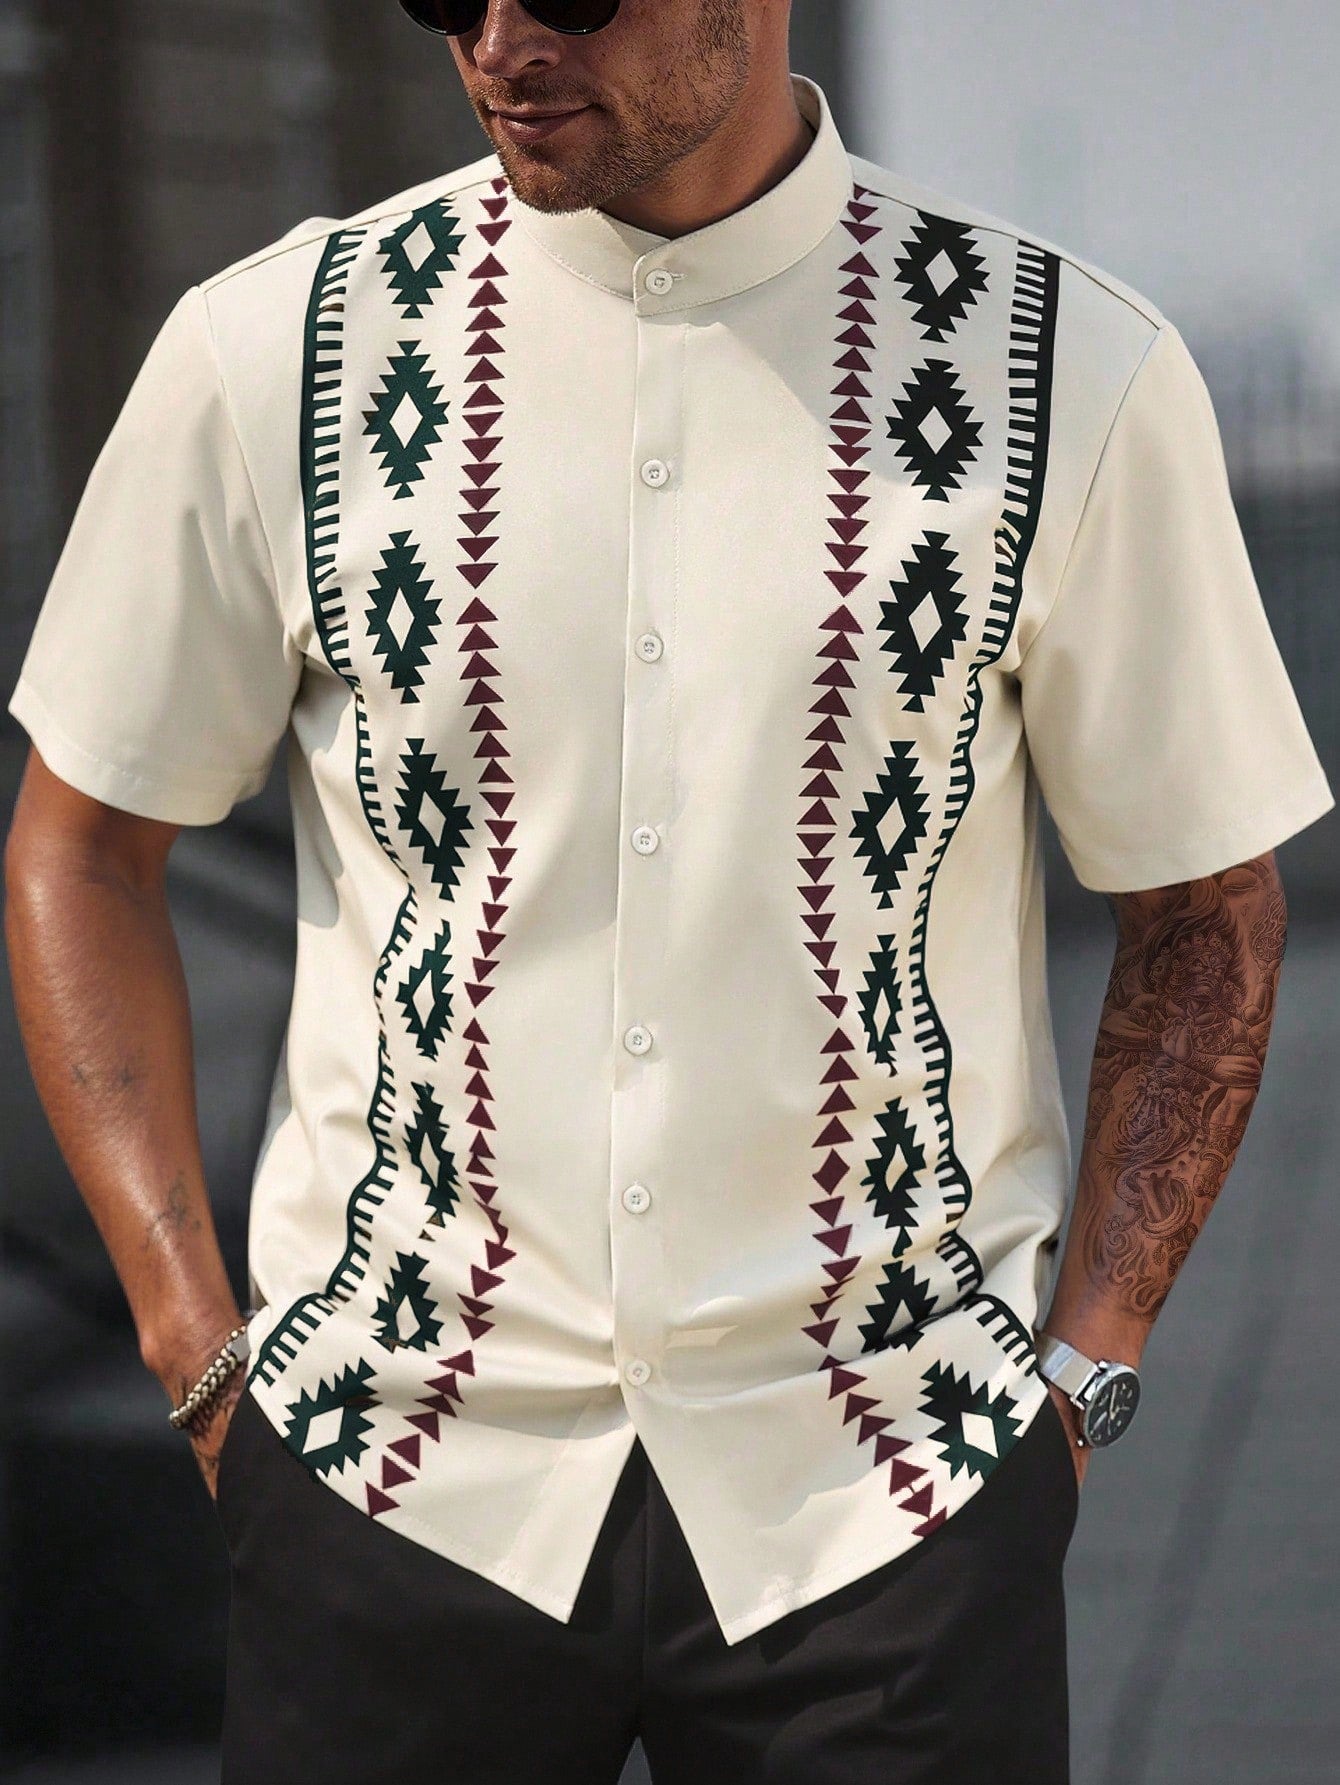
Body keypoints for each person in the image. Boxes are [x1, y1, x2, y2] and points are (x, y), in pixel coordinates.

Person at [4, 0, 1332, 1780]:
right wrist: (196, 1350)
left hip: (886, 1492)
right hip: (393, 1474)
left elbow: (1205, 906)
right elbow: (81, 843)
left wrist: (1081, 1379)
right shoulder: (282, 354)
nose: (497, 43)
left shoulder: (1060, 368)